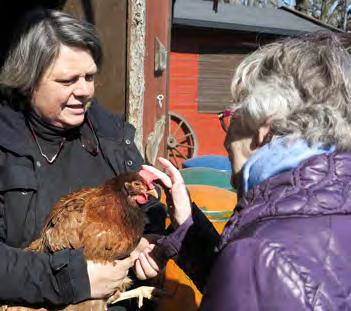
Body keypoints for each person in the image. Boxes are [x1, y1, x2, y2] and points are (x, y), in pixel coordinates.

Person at [136, 31, 351, 310]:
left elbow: (258, 282)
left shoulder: (259, 255)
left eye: (233, 118)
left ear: (265, 129)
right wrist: (187, 225)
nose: (226, 139)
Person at [0, 9, 165, 310]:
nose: (85, 91)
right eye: (67, 80)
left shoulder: (112, 135)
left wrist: (149, 242)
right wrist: (72, 279)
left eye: (89, 77)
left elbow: (150, 209)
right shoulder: (5, 144)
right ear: (27, 81)